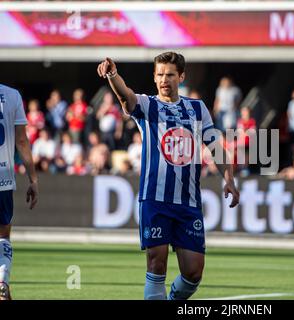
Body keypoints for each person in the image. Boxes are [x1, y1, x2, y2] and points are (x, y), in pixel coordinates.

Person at [97, 52, 239, 300]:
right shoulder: (147, 105)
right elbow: (124, 95)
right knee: (156, 264)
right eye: (160, 74)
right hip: (155, 199)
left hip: (188, 202)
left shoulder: (197, 108)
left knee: (193, 273)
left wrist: (229, 179)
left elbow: (216, 147)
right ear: (154, 77)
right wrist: (113, 75)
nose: (164, 79)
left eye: (170, 74)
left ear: (181, 77)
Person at [0, 84, 38, 300]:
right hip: (3, 178)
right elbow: (22, 142)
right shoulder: (13, 95)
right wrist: (33, 179)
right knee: (3, 236)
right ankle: (3, 280)